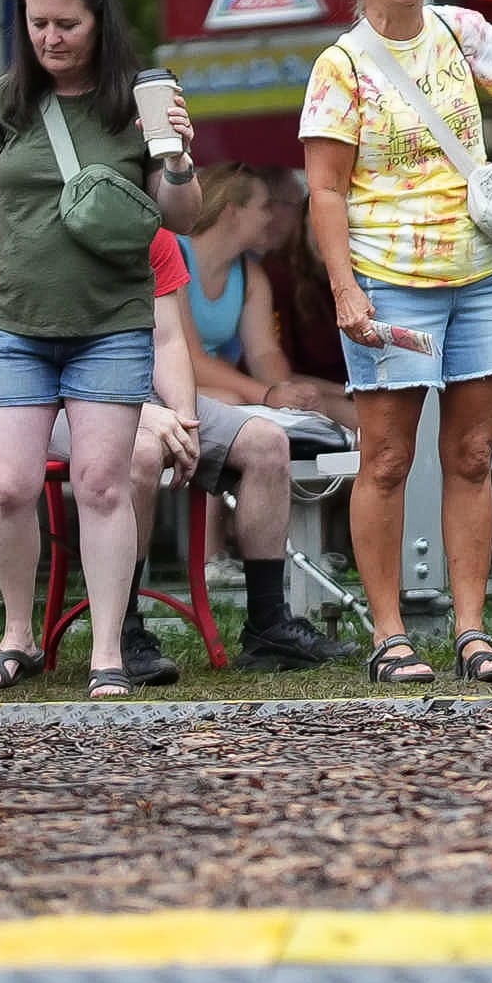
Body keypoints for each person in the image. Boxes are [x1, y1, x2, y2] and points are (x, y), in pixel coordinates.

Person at [0, 0, 201, 695]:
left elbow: (182, 219)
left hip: (110, 322)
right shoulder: (3, 101)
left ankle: (108, 648)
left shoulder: (136, 101)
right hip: (15, 322)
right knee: (8, 487)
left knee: (102, 486)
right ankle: (17, 638)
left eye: (65, 24)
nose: (49, 38)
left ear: (99, 20)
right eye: (38, 23)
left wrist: (175, 159)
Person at [298, 0, 492, 690]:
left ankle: (473, 632)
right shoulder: (341, 66)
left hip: (482, 276)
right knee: (386, 458)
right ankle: (390, 633)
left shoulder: (460, 30)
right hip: (387, 281)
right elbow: (326, 193)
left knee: (473, 455)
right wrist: (345, 290)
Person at [153, 165, 347, 672]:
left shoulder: (250, 273)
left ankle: (309, 555)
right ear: (234, 209)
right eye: (265, 206)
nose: (274, 218)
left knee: (331, 408)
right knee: (240, 410)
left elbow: (264, 354)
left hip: (225, 384)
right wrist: (267, 392)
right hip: (171, 381)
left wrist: (292, 391)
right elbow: (187, 359)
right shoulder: (177, 255)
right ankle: (218, 553)